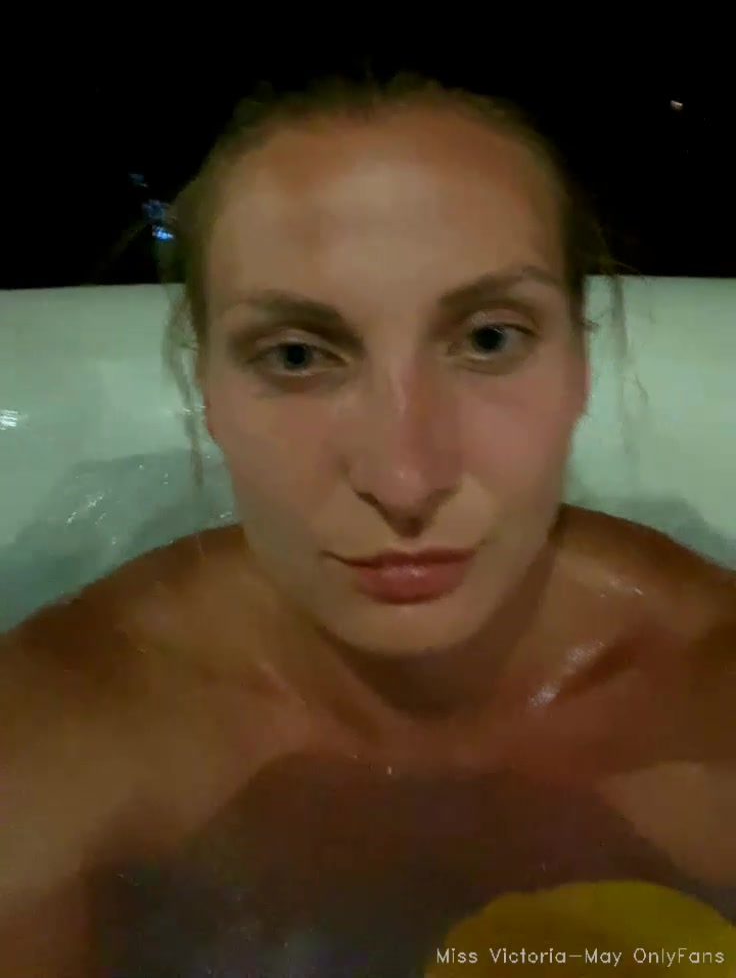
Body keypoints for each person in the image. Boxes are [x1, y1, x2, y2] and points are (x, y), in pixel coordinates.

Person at [1, 74, 734, 977]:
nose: (404, 480)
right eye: (297, 355)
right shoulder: (60, 727)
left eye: (490, 339)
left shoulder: (715, 691)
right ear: (205, 386)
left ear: (584, 364)